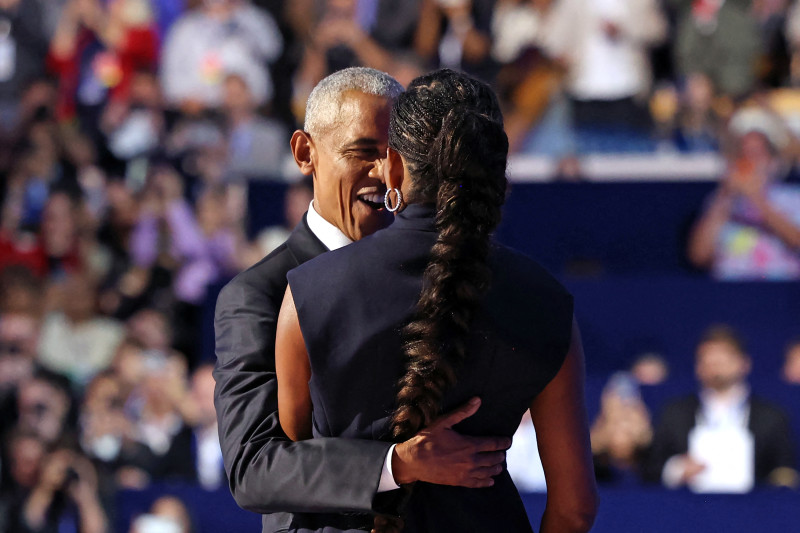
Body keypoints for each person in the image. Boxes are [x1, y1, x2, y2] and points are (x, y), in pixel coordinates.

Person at [276, 68, 598, 532]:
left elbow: (291, 473)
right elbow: (575, 507)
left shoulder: (309, 291)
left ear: (395, 166)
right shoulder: (546, 300)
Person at [213, 67, 514, 533]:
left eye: (395, 156)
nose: (383, 172)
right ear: (304, 153)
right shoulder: (259, 295)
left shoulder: (450, 271)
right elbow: (253, 466)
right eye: (362, 153)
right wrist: (397, 464)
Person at [645, 325, 798, 492]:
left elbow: (784, 468)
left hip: (753, 510)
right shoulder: (674, 414)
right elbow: (650, 467)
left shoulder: (771, 416)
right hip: (689, 508)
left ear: (744, 363)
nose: (715, 366)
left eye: (722, 359)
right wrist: (677, 470)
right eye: (707, 360)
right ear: (698, 366)